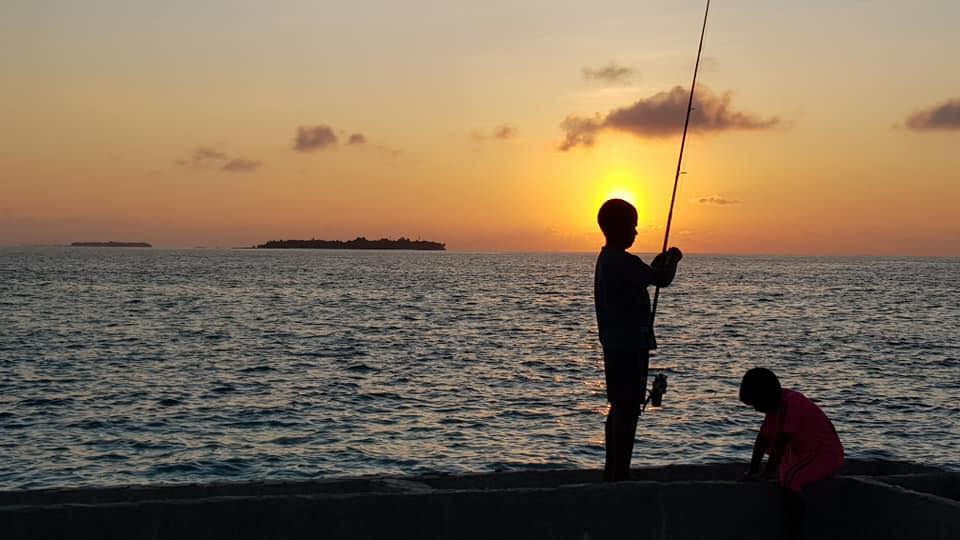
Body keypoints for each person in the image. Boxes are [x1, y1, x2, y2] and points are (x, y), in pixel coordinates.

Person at [594, 198, 682, 482]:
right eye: (632, 226)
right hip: (630, 346)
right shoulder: (623, 261)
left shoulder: (608, 260)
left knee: (620, 405)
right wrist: (674, 259)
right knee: (628, 407)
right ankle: (620, 473)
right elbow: (662, 279)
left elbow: (648, 275)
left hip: (615, 344)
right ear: (619, 228)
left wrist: (659, 265)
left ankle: (614, 470)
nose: (636, 232)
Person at [739, 367, 845, 539]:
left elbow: (782, 442)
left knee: (790, 479)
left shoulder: (792, 403)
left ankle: (795, 531)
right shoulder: (774, 409)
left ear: (766, 395)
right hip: (802, 454)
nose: (756, 409)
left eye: (757, 403)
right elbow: (762, 441)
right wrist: (752, 470)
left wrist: (766, 473)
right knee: (782, 475)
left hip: (824, 454)